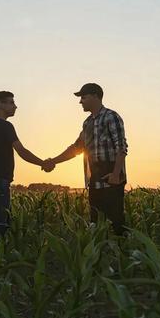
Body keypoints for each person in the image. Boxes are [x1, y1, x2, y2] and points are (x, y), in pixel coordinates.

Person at [0, 91, 53, 262]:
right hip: (1, 180)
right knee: (1, 222)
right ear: (0, 105)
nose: (15, 106)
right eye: (11, 103)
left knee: (4, 219)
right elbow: (22, 151)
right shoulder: (5, 126)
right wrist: (43, 163)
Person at [44, 83, 128, 235]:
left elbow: (121, 147)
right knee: (95, 224)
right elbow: (76, 149)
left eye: (83, 97)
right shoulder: (87, 123)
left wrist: (116, 175)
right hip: (94, 180)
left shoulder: (111, 117)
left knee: (117, 223)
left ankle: (122, 253)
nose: (80, 101)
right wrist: (53, 161)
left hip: (112, 179)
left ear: (95, 96)